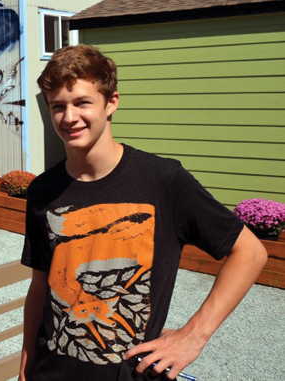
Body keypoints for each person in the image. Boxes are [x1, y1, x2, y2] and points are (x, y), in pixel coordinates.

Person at [19, 45, 267, 381]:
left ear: (112, 103)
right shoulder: (42, 191)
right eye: (58, 106)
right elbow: (40, 289)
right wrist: (24, 370)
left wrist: (194, 336)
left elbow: (250, 253)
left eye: (82, 103)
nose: (70, 117)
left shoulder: (163, 181)